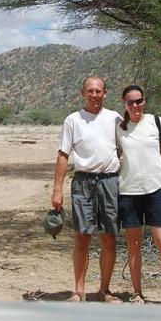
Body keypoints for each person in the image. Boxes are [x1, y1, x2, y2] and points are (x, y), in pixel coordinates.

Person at [52, 76, 122, 303]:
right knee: (82, 236)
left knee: (109, 237)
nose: (94, 95)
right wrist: (57, 190)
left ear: (105, 93)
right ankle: (79, 291)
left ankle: (104, 290)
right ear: (82, 92)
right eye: (90, 91)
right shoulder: (73, 120)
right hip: (83, 182)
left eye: (98, 91)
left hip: (110, 182)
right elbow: (63, 155)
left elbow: (126, 149)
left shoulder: (115, 119)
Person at [115, 84, 161, 305]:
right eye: (130, 102)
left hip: (156, 189)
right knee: (134, 244)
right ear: (124, 104)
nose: (135, 105)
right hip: (129, 192)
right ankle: (136, 293)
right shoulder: (119, 128)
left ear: (144, 101)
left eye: (139, 101)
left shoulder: (155, 121)